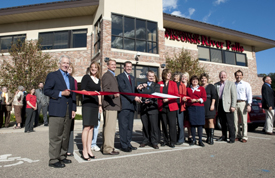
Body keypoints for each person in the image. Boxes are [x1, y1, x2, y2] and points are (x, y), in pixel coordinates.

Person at [44, 55, 76, 168]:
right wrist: (60, 93)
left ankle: (62, 156)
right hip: (57, 109)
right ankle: (53, 159)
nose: (66, 65)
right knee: (56, 136)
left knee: (65, 135)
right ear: (59, 63)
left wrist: (73, 109)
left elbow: (73, 95)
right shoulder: (53, 75)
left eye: (67, 63)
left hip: (68, 110)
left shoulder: (71, 79)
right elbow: (46, 90)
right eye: (64, 63)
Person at [117, 61, 142, 152]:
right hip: (124, 105)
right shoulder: (120, 77)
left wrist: (138, 89)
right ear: (124, 67)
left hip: (131, 105)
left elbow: (132, 90)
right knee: (123, 126)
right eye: (127, 66)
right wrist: (134, 97)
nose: (129, 68)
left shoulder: (132, 77)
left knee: (129, 126)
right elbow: (123, 89)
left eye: (130, 67)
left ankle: (128, 143)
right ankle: (123, 145)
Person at [81, 62, 102, 160]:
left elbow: (99, 94)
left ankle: (89, 149)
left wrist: (100, 105)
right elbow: (83, 91)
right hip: (87, 105)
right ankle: (84, 150)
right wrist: (92, 93)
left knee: (92, 128)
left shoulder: (98, 80)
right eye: (92, 67)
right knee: (86, 127)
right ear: (90, 69)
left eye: (95, 67)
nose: (94, 69)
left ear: (98, 69)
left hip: (95, 105)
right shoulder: (86, 77)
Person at [101, 59, 121, 155]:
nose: (113, 66)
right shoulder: (107, 75)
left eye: (114, 64)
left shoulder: (112, 76)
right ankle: (108, 149)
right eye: (111, 64)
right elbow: (105, 89)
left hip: (113, 105)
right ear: (107, 66)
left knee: (109, 128)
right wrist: (113, 95)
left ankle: (106, 146)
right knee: (110, 128)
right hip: (110, 105)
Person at [137, 70, 160, 149]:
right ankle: (145, 140)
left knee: (153, 126)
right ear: (147, 76)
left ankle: (154, 142)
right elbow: (138, 93)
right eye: (149, 76)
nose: (151, 77)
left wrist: (149, 101)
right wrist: (139, 89)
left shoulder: (156, 85)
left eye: (152, 76)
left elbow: (155, 95)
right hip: (144, 108)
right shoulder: (142, 84)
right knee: (145, 126)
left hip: (152, 108)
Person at [183, 75, 207, 147]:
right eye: (193, 80)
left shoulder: (201, 88)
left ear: (198, 81)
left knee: (200, 124)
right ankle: (193, 139)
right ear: (191, 81)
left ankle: (200, 140)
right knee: (192, 124)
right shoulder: (188, 89)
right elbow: (185, 97)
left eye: (196, 80)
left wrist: (197, 100)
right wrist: (185, 99)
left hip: (199, 108)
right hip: (191, 108)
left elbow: (204, 98)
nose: (195, 81)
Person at [158, 69, 179, 148]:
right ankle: (166, 140)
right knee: (164, 125)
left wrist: (168, 99)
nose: (169, 75)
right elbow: (157, 94)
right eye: (168, 74)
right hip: (162, 107)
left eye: (170, 74)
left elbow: (176, 94)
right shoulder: (159, 83)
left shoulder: (173, 83)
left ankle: (172, 141)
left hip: (171, 107)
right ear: (164, 74)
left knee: (172, 125)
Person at [215, 71, 237, 143]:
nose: (223, 76)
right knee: (222, 122)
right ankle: (224, 136)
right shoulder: (216, 84)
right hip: (220, 105)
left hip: (228, 105)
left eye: (224, 75)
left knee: (230, 123)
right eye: (221, 75)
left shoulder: (231, 84)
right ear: (219, 76)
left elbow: (234, 96)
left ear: (226, 76)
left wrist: (233, 106)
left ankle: (232, 138)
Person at [234, 70, 252, 142]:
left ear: (242, 76)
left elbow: (249, 95)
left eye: (240, 75)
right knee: (235, 121)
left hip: (243, 103)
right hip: (234, 103)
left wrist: (249, 104)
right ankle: (237, 135)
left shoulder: (246, 84)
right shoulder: (233, 84)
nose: (238, 76)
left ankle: (244, 136)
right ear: (235, 76)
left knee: (244, 121)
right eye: (237, 75)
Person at [200, 73, 218, 145]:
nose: (203, 80)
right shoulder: (200, 87)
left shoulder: (211, 86)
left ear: (207, 79)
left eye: (204, 78)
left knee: (210, 121)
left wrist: (212, 105)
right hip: (202, 106)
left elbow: (214, 96)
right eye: (202, 78)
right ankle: (208, 136)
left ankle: (211, 137)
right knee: (205, 122)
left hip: (210, 106)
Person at [67, 64, 78, 156]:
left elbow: (74, 96)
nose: (69, 69)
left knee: (70, 129)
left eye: (71, 68)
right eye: (68, 68)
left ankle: (70, 149)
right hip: (62, 107)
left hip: (71, 107)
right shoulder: (61, 79)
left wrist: (74, 109)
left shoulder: (74, 81)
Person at [173, 72, 187, 145]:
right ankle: (174, 138)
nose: (175, 78)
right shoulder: (172, 84)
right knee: (173, 123)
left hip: (180, 106)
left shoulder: (182, 85)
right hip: (172, 105)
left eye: (177, 76)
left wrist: (185, 99)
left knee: (180, 123)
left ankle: (181, 139)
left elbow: (185, 95)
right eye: (175, 76)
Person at [182, 72, 192, 143]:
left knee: (189, 122)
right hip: (181, 106)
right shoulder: (179, 85)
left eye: (185, 77)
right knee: (181, 122)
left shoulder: (190, 86)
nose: (183, 78)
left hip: (188, 106)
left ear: (187, 78)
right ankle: (182, 136)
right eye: (182, 76)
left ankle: (189, 136)